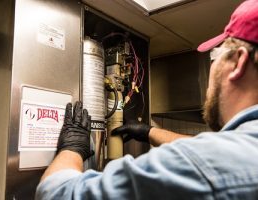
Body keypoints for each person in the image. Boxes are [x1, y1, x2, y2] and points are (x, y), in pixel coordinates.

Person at [36, 0, 258, 199]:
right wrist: (148, 131)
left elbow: (56, 194)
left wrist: (72, 148)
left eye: (214, 57)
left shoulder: (205, 166)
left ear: (238, 62)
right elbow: (210, 152)